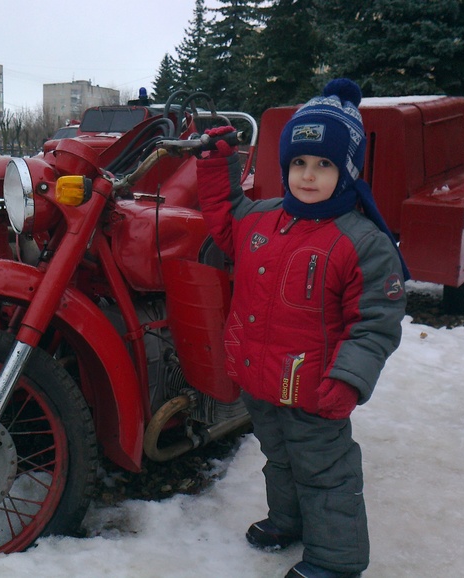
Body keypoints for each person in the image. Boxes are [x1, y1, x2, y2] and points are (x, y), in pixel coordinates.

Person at [195, 78, 408, 578]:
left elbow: (376, 323)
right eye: (299, 163)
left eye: (324, 165)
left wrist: (348, 379)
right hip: (262, 379)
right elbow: (225, 215)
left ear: (348, 171)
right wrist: (216, 162)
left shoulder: (362, 242)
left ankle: (337, 560)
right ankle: (288, 521)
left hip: (316, 389)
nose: (308, 176)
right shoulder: (263, 219)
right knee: (279, 457)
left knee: (325, 472)